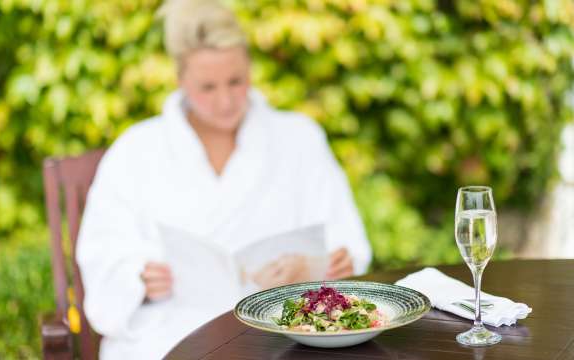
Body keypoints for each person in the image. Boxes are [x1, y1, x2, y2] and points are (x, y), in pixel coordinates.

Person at [76, 0, 372, 358]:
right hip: (169, 330)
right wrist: (139, 278)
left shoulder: (299, 138)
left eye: (236, 81)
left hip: (280, 324)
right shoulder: (136, 149)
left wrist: (326, 262)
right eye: (208, 87)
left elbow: (346, 239)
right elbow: (102, 251)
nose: (226, 101)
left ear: (250, 69)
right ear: (180, 80)